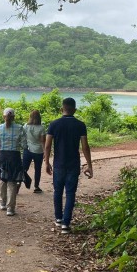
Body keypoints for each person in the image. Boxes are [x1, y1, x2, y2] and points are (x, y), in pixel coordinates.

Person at [44, 97, 93, 235]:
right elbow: (85, 147)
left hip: (59, 163)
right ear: (75, 110)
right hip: (73, 164)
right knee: (70, 193)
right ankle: (66, 223)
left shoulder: (54, 124)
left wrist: (46, 162)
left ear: (62, 109)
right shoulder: (80, 125)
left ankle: (58, 218)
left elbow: (47, 146)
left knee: (57, 192)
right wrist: (89, 165)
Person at [0, 108, 27, 216]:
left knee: (2, 179)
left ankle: (2, 203)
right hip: (14, 157)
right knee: (12, 182)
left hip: (2, 156)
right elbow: (24, 145)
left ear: (3, 117)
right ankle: (10, 208)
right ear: (14, 117)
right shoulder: (20, 128)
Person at [22, 110, 45, 194]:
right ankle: (36, 186)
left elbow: (22, 136)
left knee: (24, 168)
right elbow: (43, 141)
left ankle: (18, 183)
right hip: (38, 151)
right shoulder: (41, 128)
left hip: (27, 150)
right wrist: (45, 152)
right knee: (38, 169)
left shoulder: (25, 126)